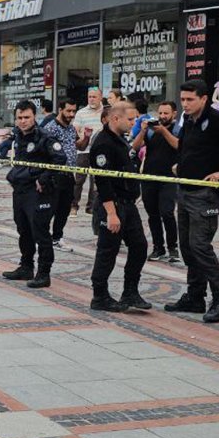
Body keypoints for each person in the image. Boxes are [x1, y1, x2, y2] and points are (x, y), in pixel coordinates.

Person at [164, 79, 219, 323]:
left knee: (201, 246)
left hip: (206, 194)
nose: (185, 104)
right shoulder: (189, 121)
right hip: (185, 190)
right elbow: (185, 146)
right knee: (187, 247)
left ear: (204, 98)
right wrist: (180, 163)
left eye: (190, 99)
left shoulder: (217, 119)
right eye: (182, 99)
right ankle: (195, 296)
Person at [89, 102, 151, 312]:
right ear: (116, 119)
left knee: (139, 247)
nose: (134, 123)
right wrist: (111, 213)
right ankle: (100, 296)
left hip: (128, 204)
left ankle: (130, 292)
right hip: (112, 205)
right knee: (107, 252)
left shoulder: (120, 140)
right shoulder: (103, 143)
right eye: (131, 119)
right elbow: (103, 181)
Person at [1, 100, 67, 289]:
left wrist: (44, 179)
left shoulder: (44, 137)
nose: (23, 121)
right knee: (23, 230)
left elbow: (60, 160)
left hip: (39, 192)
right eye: (19, 118)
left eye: (27, 117)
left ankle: (44, 273)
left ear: (34, 117)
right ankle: (26, 266)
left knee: (40, 231)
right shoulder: (18, 137)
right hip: (21, 189)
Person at [42, 98, 88, 252]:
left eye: (73, 111)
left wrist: (86, 137)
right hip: (55, 174)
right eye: (68, 111)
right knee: (50, 208)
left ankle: (57, 237)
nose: (71, 114)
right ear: (60, 109)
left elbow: (79, 146)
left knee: (64, 208)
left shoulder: (71, 128)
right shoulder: (51, 128)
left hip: (69, 174)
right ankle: (42, 237)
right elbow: (45, 151)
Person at [142, 102, 183, 263]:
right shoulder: (152, 130)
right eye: (160, 113)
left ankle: (173, 248)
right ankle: (158, 247)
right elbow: (136, 146)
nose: (163, 116)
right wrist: (144, 130)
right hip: (149, 177)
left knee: (167, 212)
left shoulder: (178, 129)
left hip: (169, 178)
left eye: (166, 113)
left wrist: (164, 131)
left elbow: (178, 146)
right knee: (153, 214)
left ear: (174, 114)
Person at [72, 88, 104, 214]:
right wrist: (82, 137)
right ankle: (73, 205)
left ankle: (91, 207)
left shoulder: (106, 111)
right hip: (84, 150)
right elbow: (75, 130)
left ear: (100, 97)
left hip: (99, 151)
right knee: (79, 179)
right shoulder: (81, 112)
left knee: (95, 180)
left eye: (94, 97)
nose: (91, 99)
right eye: (89, 96)